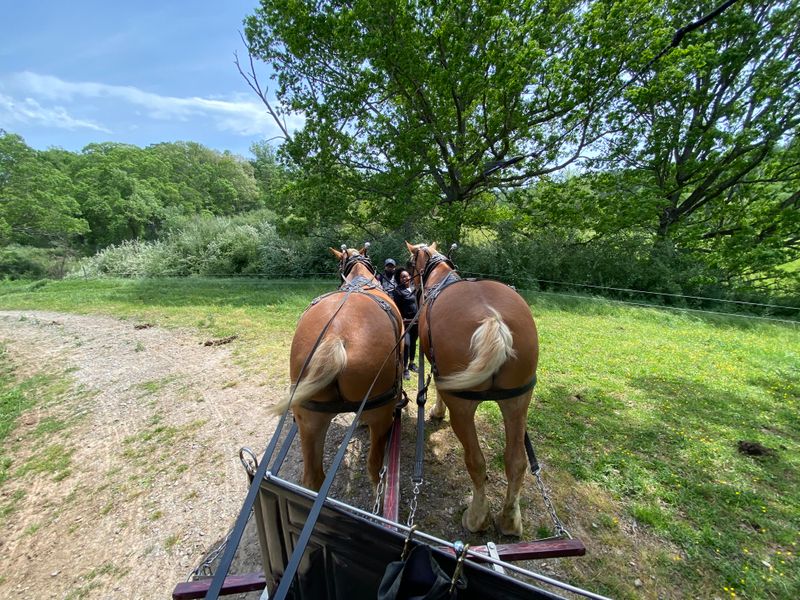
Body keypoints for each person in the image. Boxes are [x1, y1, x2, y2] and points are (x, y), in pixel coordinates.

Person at [391, 267, 419, 380]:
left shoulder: (415, 288)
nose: (405, 278)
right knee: (406, 344)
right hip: (405, 322)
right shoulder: (397, 291)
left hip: (416, 321)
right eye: (402, 277)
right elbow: (397, 308)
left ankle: (412, 363)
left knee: (413, 343)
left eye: (406, 276)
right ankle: (405, 368)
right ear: (399, 279)